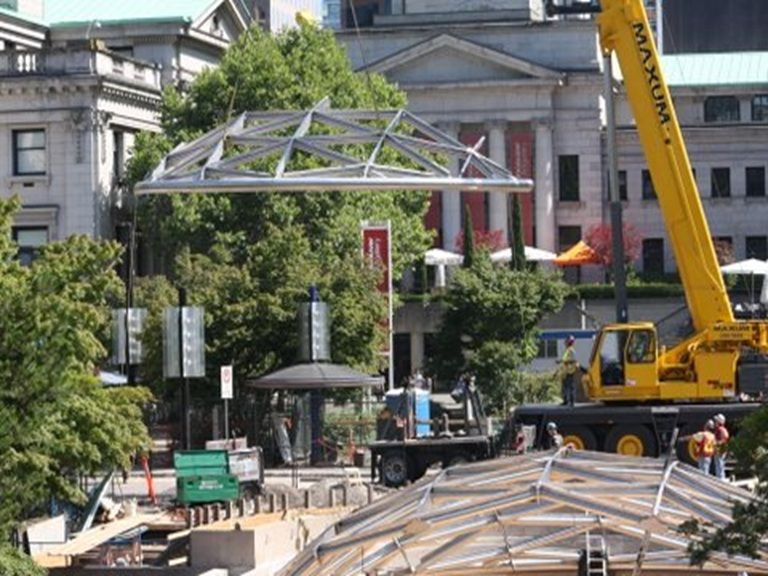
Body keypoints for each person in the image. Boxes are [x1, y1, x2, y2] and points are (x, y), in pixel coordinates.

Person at [561, 335, 578, 406]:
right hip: (566, 370)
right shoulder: (567, 350)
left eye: (566, 341)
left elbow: (573, 360)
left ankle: (572, 401)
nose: (565, 343)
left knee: (570, 386)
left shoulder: (571, 350)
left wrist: (565, 362)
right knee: (565, 386)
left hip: (570, 371)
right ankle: (565, 401)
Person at [713, 413, 730, 480]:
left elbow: (721, 440)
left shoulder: (720, 430)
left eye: (716, 421)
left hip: (719, 450)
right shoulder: (724, 429)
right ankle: (721, 478)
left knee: (719, 465)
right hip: (722, 450)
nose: (715, 422)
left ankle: (720, 479)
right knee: (720, 465)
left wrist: (714, 443)